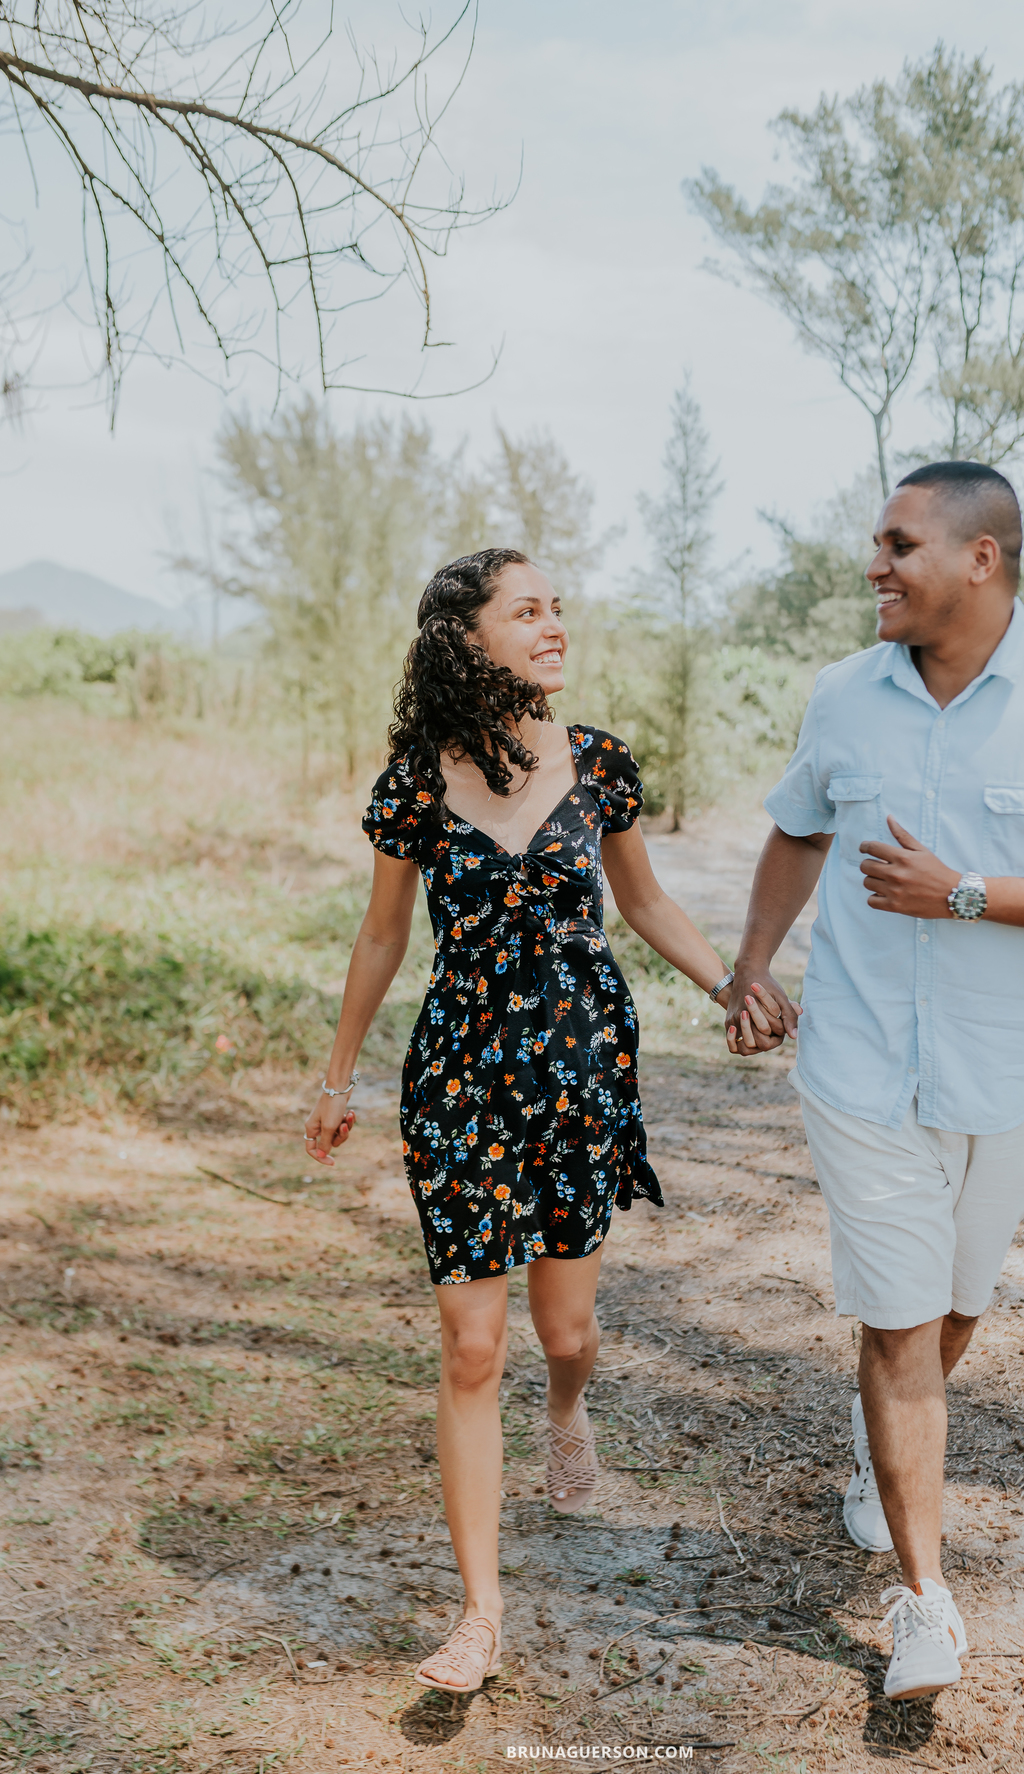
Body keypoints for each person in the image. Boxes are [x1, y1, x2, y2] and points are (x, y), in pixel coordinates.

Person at [726, 461, 1024, 1702]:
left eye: (898, 543)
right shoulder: (843, 697)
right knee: (898, 1319)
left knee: (955, 1301)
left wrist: (966, 893)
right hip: (862, 1068)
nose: (875, 565)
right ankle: (925, 1605)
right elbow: (800, 826)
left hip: (1011, 1077)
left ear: (982, 559)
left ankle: (880, 1459)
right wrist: (753, 964)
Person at [303, 548, 773, 1694]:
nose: (555, 625)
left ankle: (571, 1410)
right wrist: (336, 1074)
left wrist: (731, 985)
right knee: (471, 1347)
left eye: (557, 607)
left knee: (565, 1335)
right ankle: (479, 1613)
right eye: (528, 611)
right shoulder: (415, 780)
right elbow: (381, 936)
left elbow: (647, 900)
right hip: (458, 1084)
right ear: (468, 640)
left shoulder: (601, 762)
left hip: (578, 1081)